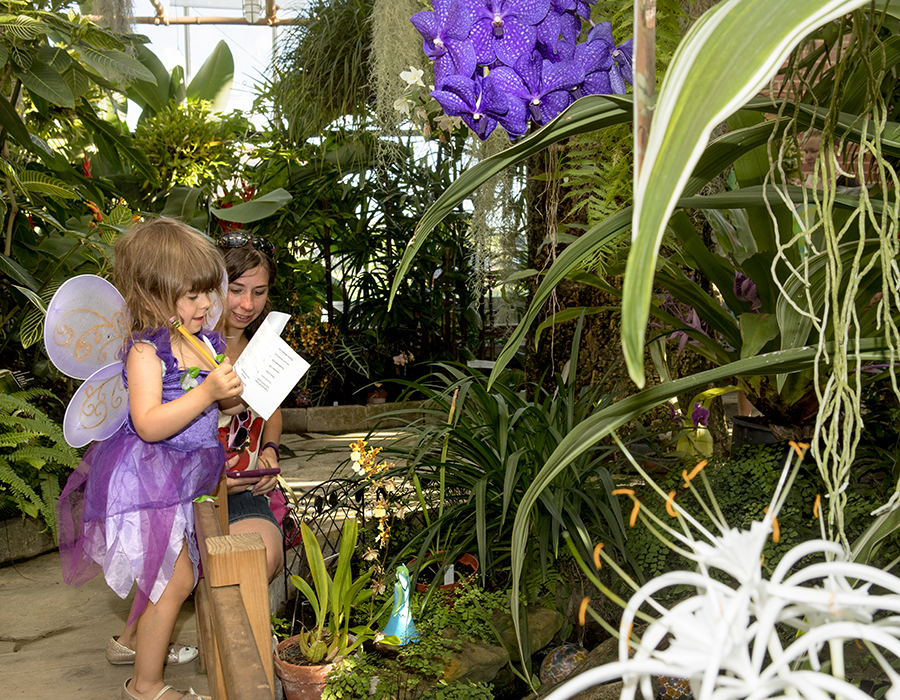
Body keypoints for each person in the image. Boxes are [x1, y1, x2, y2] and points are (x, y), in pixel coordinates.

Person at [56, 217, 245, 700]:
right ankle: (144, 685)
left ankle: (136, 644)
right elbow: (148, 423)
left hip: (181, 476)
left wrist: (230, 393)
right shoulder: (146, 352)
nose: (206, 305)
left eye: (208, 293)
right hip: (145, 478)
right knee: (174, 579)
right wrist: (206, 393)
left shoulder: (204, 341)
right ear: (154, 296)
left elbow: (224, 405)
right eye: (192, 296)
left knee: (163, 570)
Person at [216, 230, 284, 582]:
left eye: (259, 292)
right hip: (189, 496)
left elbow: (271, 411)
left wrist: (270, 451)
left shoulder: (264, 346)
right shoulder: (190, 346)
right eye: (237, 289)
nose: (247, 304)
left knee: (263, 559)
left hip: (245, 491)